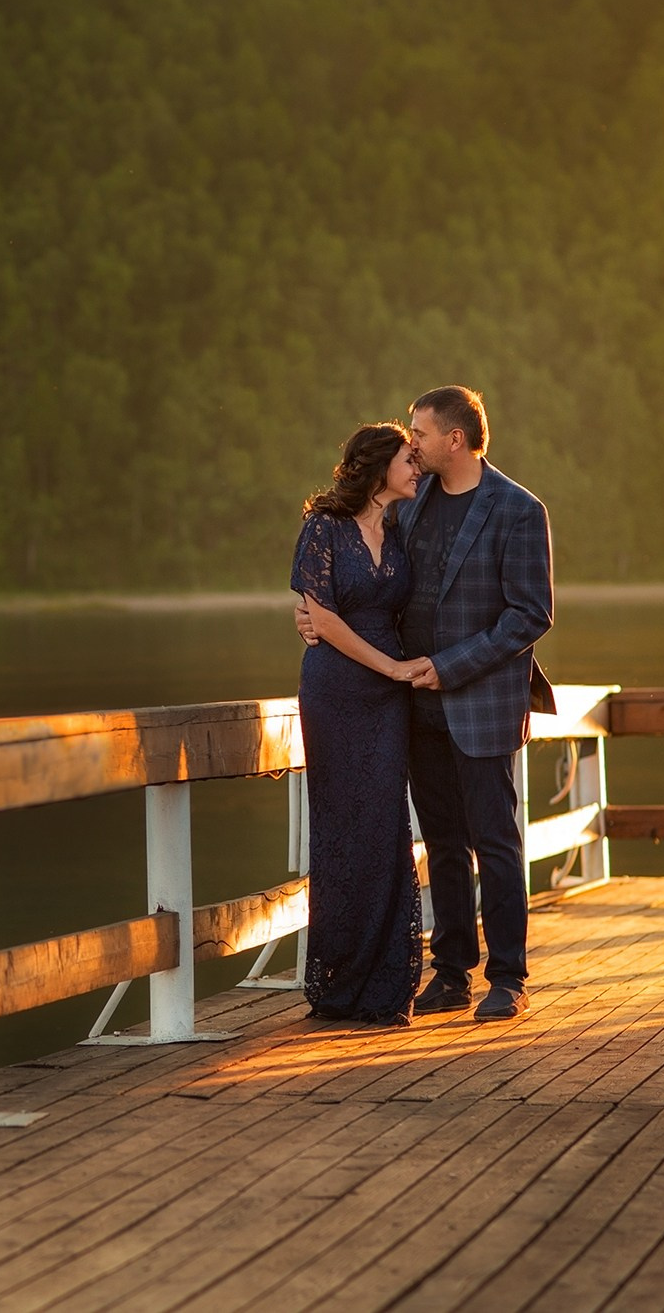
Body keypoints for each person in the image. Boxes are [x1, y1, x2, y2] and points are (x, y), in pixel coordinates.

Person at [299, 386, 554, 1022]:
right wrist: (314, 617)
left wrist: (450, 667)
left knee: (495, 841)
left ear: (455, 439)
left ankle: (508, 978)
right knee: (441, 843)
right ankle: (451, 974)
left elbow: (530, 614)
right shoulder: (411, 505)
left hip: (482, 702)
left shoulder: (519, 510)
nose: (412, 444)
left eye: (420, 432)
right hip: (413, 705)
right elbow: (374, 586)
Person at [290, 422, 431, 1026]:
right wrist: (392, 668)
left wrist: (400, 672)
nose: (417, 468)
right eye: (408, 459)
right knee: (340, 827)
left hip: (387, 699)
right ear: (378, 469)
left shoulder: (400, 528)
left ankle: (386, 985)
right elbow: (321, 617)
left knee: (385, 827)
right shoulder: (323, 527)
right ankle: (340, 984)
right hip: (336, 689)